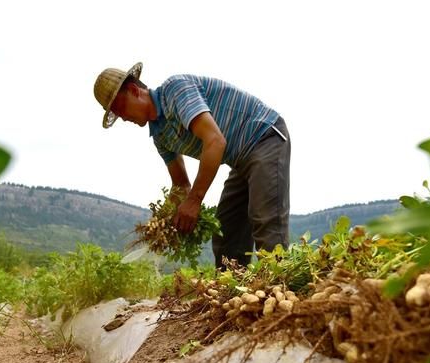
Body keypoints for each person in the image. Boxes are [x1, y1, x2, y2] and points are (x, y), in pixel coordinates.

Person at [93, 62, 291, 269]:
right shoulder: (160, 137)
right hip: (240, 160)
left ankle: (281, 288)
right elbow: (181, 185)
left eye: (120, 109)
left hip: (264, 136)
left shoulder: (176, 90)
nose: (123, 119)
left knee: (266, 221)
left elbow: (215, 141)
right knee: (227, 229)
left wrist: (194, 201)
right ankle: (235, 294)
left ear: (134, 91)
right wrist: (164, 221)